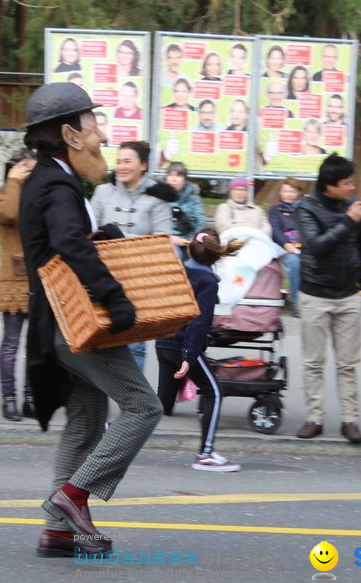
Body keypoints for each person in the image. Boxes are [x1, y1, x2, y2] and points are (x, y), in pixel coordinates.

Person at [18, 82, 160, 559]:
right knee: (144, 407)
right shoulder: (57, 183)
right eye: (93, 123)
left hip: (57, 323)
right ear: (69, 134)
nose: (101, 134)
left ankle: (58, 532)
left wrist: (104, 235)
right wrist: (114, 297)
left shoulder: (47, 178)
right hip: (78, 323)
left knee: (86, 418)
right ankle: (72, 497)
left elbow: (70, 238)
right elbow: (68, 244)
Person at [295, 153, 361, 444]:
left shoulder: (354, 207)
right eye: (346, 183)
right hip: (315, 295)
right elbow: (316, 246)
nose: (352, 187)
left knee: (348, 363)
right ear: (329, 186)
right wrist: (347, 221)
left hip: (348, 296)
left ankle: (350, 420)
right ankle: (314, 417)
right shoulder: (306, 208)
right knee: (313, 361)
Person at [155, 228, 244, 472]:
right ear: (216, 257)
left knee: (159, 405)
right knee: (213, 391)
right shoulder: (206, 281)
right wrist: (189, 356)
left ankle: (111, 430)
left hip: (164, 343)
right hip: (183, 346)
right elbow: (199, 321)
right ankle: (205, 454)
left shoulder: (179, 271)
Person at [91, 140, 174, 369]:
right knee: (100, 335)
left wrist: (118, 236)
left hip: (139, 278)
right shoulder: (102, 192)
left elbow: (162, 240)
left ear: (143, 165)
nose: (121, 166)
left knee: (134, 341)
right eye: (118, 161)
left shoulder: (157, 198)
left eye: (128, 161)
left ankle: (134, 401)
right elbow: (88, 231)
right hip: (103, 273)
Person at [0, 151, 37, 422]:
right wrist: (14, 182)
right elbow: (10, 214)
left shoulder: (38, 199)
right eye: (24, 170)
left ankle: (30, 398)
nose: (29, 175)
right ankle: (9, 399)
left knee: (36, 344)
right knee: (11, 343)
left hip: (40, 278)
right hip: (13, 280)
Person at [270, 178, 303, 316]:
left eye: (292, 191)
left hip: (302, 245)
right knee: (294, 261)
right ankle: (296, 303)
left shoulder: (303, 209)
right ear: (280, 192)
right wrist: (286, 244)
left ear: (297, 193)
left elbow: (307, 228)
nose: (288, 194)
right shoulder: (275, 210)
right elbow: (276, 230)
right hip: (282, 247)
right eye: (285, 191)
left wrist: (300, 243)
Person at [165, 161, 206, 258]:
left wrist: (191, 239)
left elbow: (201, 221)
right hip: (167, 240)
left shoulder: (194, 198)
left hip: (189, 240)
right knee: (176, 255)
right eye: (170, 175)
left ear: (184, 180)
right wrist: (170, 238)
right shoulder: (160, 197)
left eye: (178, 176)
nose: (173, 179)